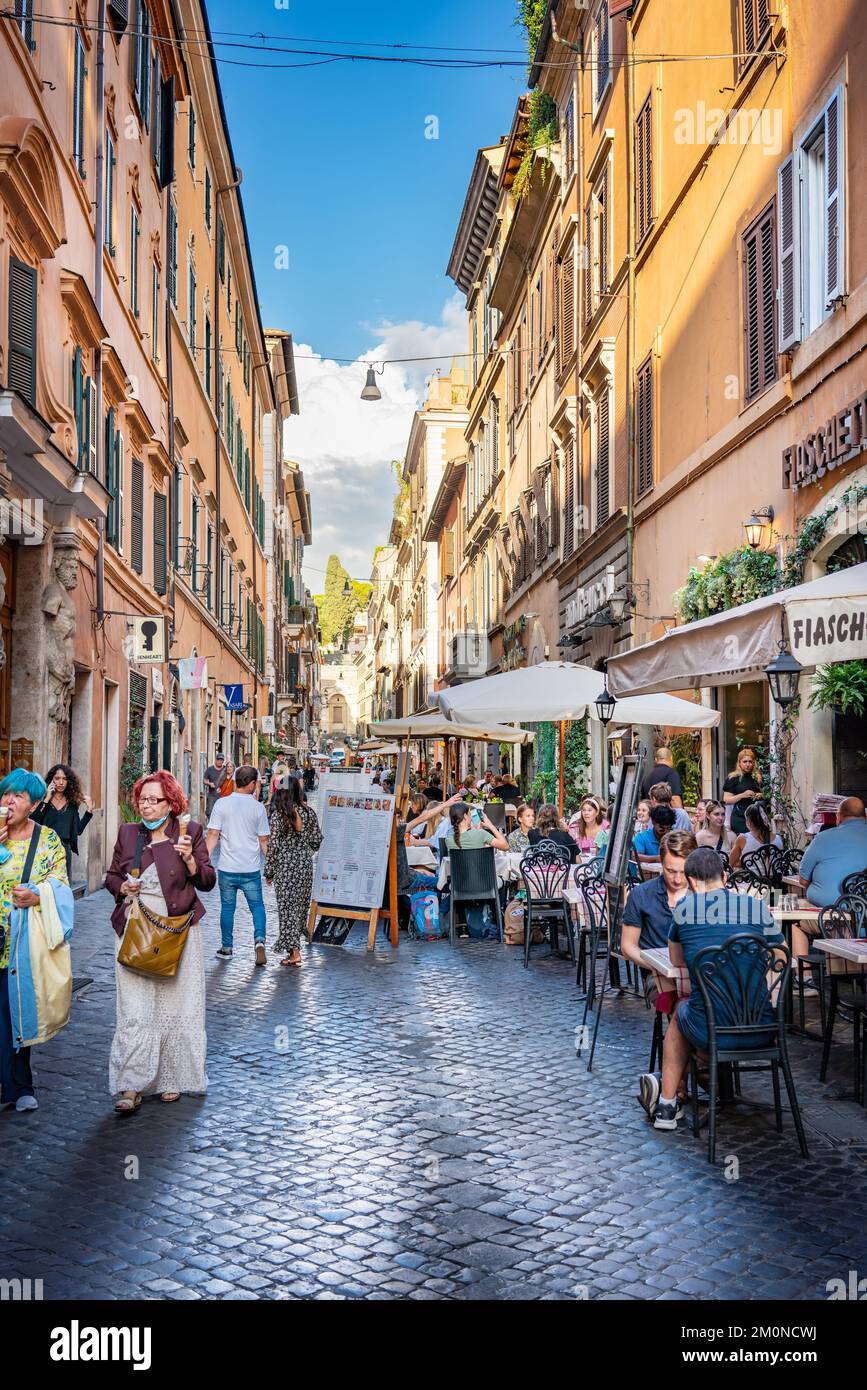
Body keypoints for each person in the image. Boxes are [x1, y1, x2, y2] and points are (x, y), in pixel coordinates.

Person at [638, 847, 784, 1130]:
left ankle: (667, 1106)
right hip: (764, 1027)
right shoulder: (755, 906)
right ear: (725, 876)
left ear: (692, 882)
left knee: (680, 1012)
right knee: (695, 1010)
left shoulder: (684, 911)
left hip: (712, 1031)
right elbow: (781, 955)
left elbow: (677, 960)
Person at [105, 770, 215, 1113]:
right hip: (136, 929)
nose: (147, 806)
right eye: (143, 799)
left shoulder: (190, 832)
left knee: (175, 1006)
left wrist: (189, 860)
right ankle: (131, 1084)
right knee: (135, 1010)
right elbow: (110, 875)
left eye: (155, 800)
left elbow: (209, 880)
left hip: (178, 931)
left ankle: (171, 1078)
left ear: (171, 802)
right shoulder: (128, 833)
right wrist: (122, 887)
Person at [0, 770, 71, 1114]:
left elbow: (60, 881)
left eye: (18, 797)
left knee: (17, 1012)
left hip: (23, 940)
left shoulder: (48, 840)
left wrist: (38, 896)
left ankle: (18, 1085)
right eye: (6, 794)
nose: (9, 802)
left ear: (34, 804)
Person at [206, 766, 270, 964]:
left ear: (235, 781)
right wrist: (272, 867)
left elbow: (213, 835)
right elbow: (264, 841)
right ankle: (259, 940)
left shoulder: (222, 805)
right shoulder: (258, 808)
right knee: (257, 906)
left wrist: (203, 861)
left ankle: (227, 948)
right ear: (251, 784)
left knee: (227, 908)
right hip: (250, 869)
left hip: (227, 868)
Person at [264, 777, 323, 968]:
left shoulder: (278, 816)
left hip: (285, 867)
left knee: (287, 910)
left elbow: (273, 846)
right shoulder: (308, 812)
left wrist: (269, 871)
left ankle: (295, 952)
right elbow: (317, 840)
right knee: (299, 909)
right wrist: (305, 853)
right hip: (304, 867)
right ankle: (294, 949)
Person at [621, 831, 696, 974]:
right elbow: (628, 946)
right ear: (661, 862)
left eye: (684, 871)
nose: (678, 879)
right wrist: (659, 967)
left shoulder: (705, 894)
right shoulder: (641, 895)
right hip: (656, 975)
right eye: (671, 871)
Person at [798, 796, 867, 907]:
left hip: (828, 915)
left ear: (838, 817)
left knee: (792, 909)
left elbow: (803, 880)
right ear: (865, 816)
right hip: (863, 915)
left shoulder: (823, 838)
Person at [32, 763, 95, 878]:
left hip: (64, 851)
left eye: (64, 779)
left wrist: (89, 811)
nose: (61, 782)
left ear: (69, 781)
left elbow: (78, 830)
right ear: (51, 780)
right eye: (57, 778)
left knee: (63, 889)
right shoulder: (43, 798)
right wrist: (46, 799)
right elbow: (34, 822)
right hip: (44, 849)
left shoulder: (72, 803)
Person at [722, 746, 763, 837]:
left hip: (756, 817)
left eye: (750, 761)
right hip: (739, 817)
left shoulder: (757, 777)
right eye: (745, 762)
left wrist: (760, 795)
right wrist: (742, 795)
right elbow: (726, 800)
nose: (747, 764)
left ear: (753, 763)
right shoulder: (733, 778)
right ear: (739, 763)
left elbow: (764, 795)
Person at [729, 801, 783, 869]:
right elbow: (780, 861)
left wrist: (748, 862)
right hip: (776, 879)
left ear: (749, 822)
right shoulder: (778, 838)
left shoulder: (743, 838)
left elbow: (732, 862)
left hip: (753, 878)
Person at [445, 802, 509, 853]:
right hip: (480, 869)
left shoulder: (448, 840)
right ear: (465, 816)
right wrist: (490, 825)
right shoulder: (480, 834)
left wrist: (476, 831)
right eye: (470, 814)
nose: (471, 817)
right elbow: (505, 846)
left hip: (458, 869)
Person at [203, 752, 227, 819]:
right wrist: (209, 783)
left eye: (221, 760)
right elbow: (204, 780)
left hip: (223, 796)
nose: (220, 761)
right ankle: (211, 826)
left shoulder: (226, 769)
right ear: (215, 760)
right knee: (209, 812)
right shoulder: (210, 769)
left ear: (223, 761)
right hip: (212, 796)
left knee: (222, 813)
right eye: (218, 760)